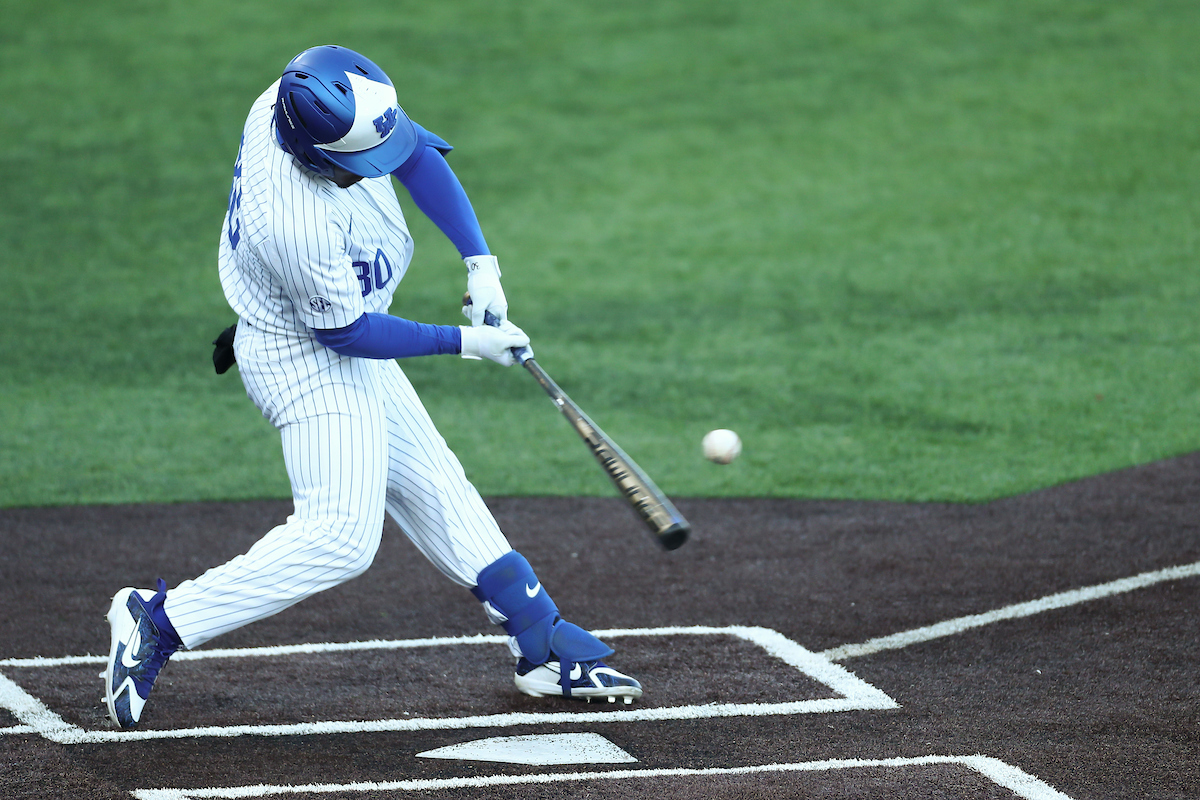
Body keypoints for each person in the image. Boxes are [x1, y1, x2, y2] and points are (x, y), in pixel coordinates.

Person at [100, 44, 642, 729]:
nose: (373, 172)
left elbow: (414, 155)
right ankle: (159, 622)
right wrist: (465, 342)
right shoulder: (292, 221)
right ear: (313, 155)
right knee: (340, 537)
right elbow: (349, 334)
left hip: (338, 323)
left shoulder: (327, 103)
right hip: (304, 353)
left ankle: (540, 640)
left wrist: (482, 265)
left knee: (433, 479)